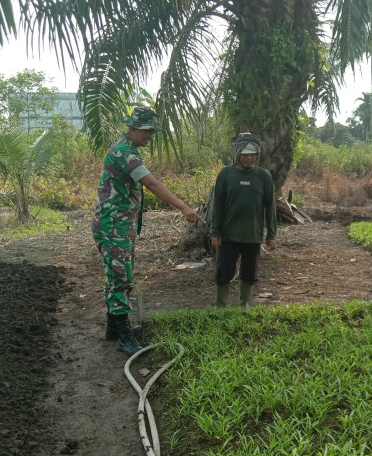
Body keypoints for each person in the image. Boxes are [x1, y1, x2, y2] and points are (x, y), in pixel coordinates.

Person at [92, 107, 204, 355]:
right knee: (121, 277)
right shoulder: (124, 152)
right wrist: (184, 207)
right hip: (113, 226)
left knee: (117, 274)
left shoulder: (128, 149)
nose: (150, 136)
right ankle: (124, 336)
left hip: (119, 225)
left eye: (153, 131)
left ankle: (114, 328)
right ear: (132, 128)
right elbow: (151, 183)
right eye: (146, 131)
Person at [211, 133, 277, 308]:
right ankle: (221, 306)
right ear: (237, 154)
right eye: (245, 154)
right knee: (223, 270)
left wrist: (271, 234)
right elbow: (217, 205)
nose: (249, 158)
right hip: (228, 234)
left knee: (249, 272)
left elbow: (270, 206)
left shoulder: (264, 177)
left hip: (252, 234)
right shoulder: (226, 174)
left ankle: (244, 305)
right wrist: (215, 231)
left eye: (253, 154)